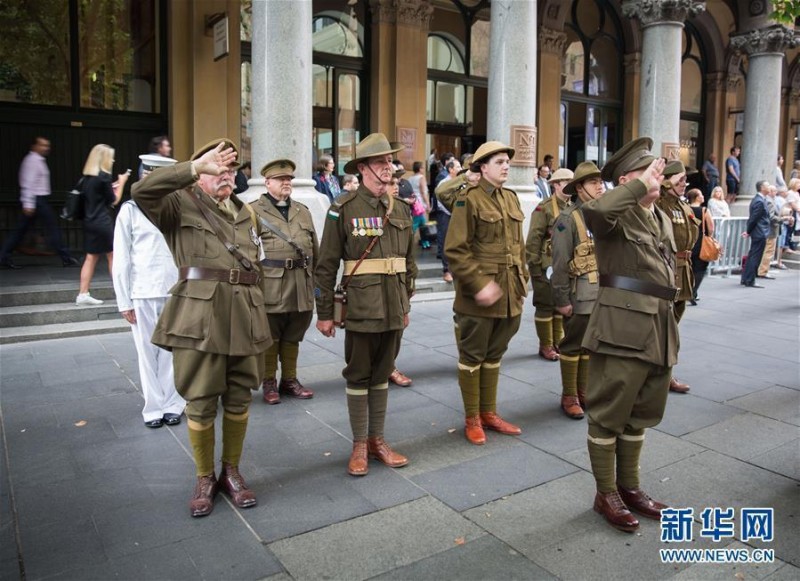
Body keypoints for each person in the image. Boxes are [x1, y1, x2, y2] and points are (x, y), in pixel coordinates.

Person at [132, 139, 271, 517]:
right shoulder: (177, 205)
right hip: (200, 319)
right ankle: (204, 476)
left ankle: (232, 471)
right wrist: (194, 167)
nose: (225, 175)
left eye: (230, 169)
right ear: (199, 175)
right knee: (201, 398)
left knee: (241, 396)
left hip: (244, 313)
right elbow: (141, 190)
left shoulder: (246, 213)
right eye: (216, 168)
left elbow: (254, 265)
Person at [581, 137, 675, 533]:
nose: (658, 177)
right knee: (608, 413)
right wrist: (634, 189)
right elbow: (597, 210)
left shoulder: (662, 217)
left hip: (659, 325)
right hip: (622, 327)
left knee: (640, 412)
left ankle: (629, 486)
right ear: (626, 180)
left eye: (658, 171)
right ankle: (607, 493)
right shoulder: (614, 214)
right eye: (648, 172)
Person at [315, 133, 417, 476]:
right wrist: (325, 313)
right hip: (361, 307)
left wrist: (406, 302)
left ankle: (378, 440)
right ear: (362, 169)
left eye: (389, 161)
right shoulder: (342, 208)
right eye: (380, 162)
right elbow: (326, 265)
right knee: (359, 375)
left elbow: (410, 262)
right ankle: (360, 443)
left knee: (383, 373)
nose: (388, 167)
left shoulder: (400, 208)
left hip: (393, 307)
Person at [445, 141, 530, 446]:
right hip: (479, 295)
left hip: (509, 293)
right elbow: (455, 251)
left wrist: (522, 282)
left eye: (507, 161)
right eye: (498, 161)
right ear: (482, 168)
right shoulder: (468, 201)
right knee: (472, 357)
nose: (506, 165)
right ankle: (472, 419)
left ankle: (489, 413)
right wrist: (480, 285)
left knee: (494, 355)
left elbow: (519, 248)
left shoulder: (511, 198)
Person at [112, 198, 185, 428]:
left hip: (174, 288)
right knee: (146, 353)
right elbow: (121, 257)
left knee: (172, 352)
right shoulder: (131, 210)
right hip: (142, 290)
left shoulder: (177, 207)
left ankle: (173, 404)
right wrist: (124, 300)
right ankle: (153, 407)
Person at [255, 159, 317, 405]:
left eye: (289, 179)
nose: (286, 183)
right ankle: (269, 381)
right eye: (281, 179)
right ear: (267, 182)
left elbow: (315, 249)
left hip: (301, 283)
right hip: (270, 284)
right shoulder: (253, 211)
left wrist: (317, 282)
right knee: (271, 335)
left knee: (294, 333)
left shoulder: (302, 210)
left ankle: (289, 380)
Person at [551, 162, 605, 419]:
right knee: (573, 345)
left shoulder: (601, 213)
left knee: (591, 345)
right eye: (594, 182)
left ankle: (584, 391)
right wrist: (561, 298)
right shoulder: (566, 219)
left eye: (600, 181)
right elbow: (560, 263)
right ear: (580, 188)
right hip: (579, 295)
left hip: (601, 294)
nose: (600, 186)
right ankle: (569, 395)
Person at [0, 137, 80, 269]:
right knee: (52, 228)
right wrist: (28, 203)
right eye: (42, 145)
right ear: (34, 146)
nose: (46, 148)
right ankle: (66, 257)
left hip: (37, 200)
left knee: (20, 230)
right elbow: (28, 183)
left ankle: (4, 257)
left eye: (47, 145)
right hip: (37, 200)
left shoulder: (38, 160)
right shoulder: (32, 161)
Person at [655, 160, 699, 394]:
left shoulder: (682, 206)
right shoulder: (660, 203)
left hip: (684, 268)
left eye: (685, 180)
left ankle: (665, 371)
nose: (684, 183)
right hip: (668, 268)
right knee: (665, 326)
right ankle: (663, 374)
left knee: (674, 323)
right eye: (679, 179)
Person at [525, 168, 574, 361]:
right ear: (555, 185)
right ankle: (546, 345)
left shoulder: (572, 207)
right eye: (565, 183)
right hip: (546, 265)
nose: (570, 187)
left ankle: (558, 342)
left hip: (564, 266)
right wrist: (535, 267)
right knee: (545, 306)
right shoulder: (544, 208)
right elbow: (533, 239)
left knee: (560, 304)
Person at [76, 144, 128, 306]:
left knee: (91, 257)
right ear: (104, 158)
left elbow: (95, 196)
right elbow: (114, 201)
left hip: (89, 221)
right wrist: (122, 182)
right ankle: (121, 293)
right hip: (102, 222)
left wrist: (112, 187)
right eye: (110, 157)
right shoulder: (104, 176)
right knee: (113, 256)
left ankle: (83, 293)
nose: (112, 160)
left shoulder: (87, 177)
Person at [740, 181, 771, 288]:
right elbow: (753, 219)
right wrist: (748, 231)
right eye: (767, 185)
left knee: (752, 256)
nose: (769, 187)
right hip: (759, 232)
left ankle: (746, 278)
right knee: (755, 257)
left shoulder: (760, 200)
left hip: (758, 232)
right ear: (762, 188)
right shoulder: (759, 201)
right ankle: (750, 280)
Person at [686, 188, 714, 305]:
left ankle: (687, 291)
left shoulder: (685, 209)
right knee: (700, 268)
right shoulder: (704, 210)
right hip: (701, 242)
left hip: (687, 241)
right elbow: (711, 228)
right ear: (697, 197)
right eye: (701, 194)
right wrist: (710, 237)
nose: (703, 196)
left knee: (689, 268)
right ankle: (693, 291)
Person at [756, 184, 781, 280]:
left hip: (768, 230)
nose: (776, 192)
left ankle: (761, 270)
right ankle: (763, 271)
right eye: (774, 191)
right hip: (770, 230)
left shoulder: (769, 200)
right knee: (768, 252)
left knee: (766, 251)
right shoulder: (769, 202)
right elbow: (771, 217)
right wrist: (783, 219)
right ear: (770, 192)